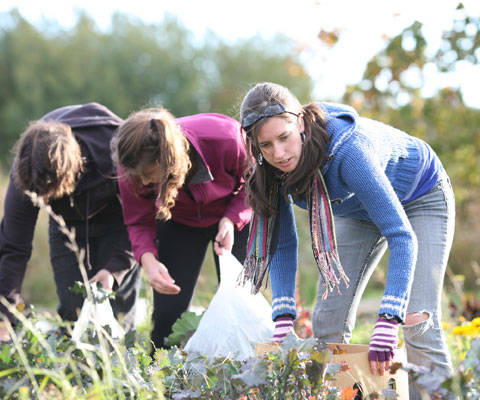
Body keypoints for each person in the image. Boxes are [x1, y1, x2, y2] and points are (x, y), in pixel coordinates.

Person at [239, 82, 455, 399]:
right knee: (328, 321)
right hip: (356, 210)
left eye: (283, 138)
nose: (278, 153)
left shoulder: (346, 150)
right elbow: (282, 243)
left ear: (299, 122)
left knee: (416, 319)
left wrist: (388, 318)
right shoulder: (270, 171)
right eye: (266, 145)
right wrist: (284, 317)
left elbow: (400, 235)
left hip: (421, 197)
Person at [111, 107, 252, 349]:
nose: (144, 182)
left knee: (241, 303)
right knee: (168, 315)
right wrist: (148, 261)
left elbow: (256, 181)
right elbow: (138, 220)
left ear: (168, 161)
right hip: (178, 222)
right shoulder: (132, 166)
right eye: (138, 176)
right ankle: (163, 380)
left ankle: (244, 372)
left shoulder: (225, 138)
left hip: (232, 216)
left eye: (149, 174)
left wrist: (231, 219)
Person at [0, 103, 141, 341]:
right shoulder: (27, 170)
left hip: (119, 221)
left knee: (116, 309)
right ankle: (77, 371)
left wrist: (114, 269)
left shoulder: (118, 151)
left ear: (76, 167)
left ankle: (118, 371)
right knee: (71, 305)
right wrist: (4, 315)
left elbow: (142, 219)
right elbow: (13, 247)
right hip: (66, 224)